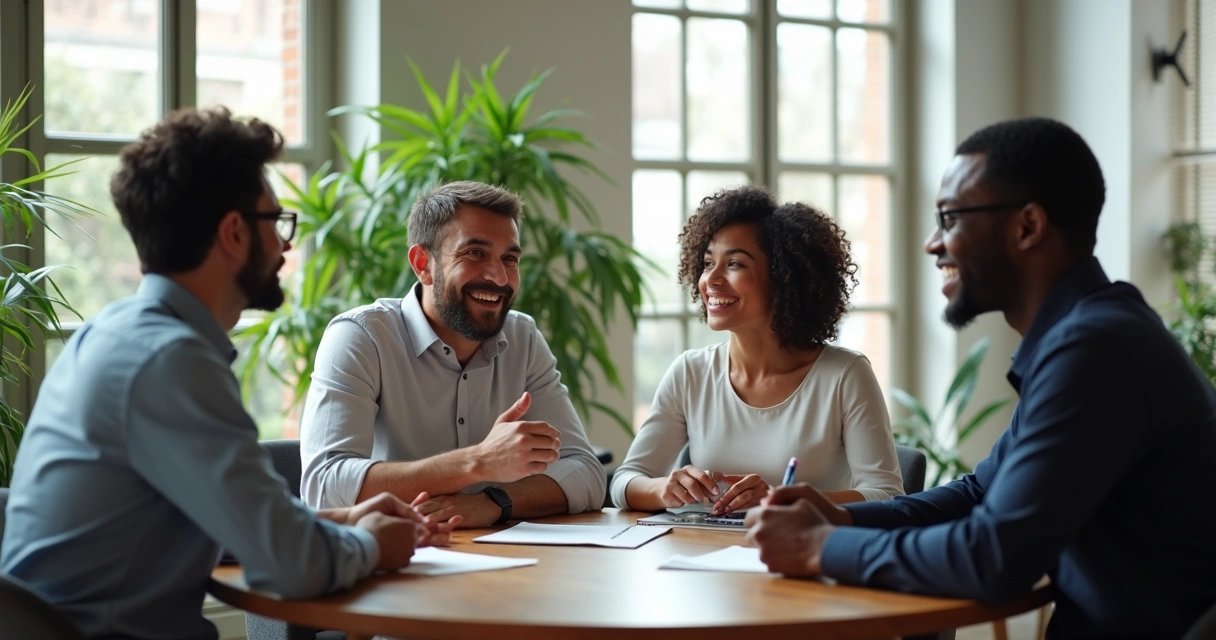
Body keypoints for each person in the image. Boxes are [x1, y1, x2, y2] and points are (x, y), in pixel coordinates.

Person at [744, 117, 1216, 638]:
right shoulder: (1089, 332)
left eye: (949, 218)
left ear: (1027, 226)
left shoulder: (1094, 348)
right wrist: (841, 518)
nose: (932, 244)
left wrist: (817, 547)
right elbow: (977, 493)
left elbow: (994, 558)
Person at [0, 108, 455, 640]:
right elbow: (291, 566)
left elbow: (231, 525)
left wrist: (345, 522)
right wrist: (377, 544)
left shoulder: (115, 335)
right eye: (277, 222)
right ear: (235, 233)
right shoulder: (170, 363)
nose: (287, 245)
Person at [299, 180, 605, 527]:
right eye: (475, 253)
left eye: (510, 258)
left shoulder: (523, 337)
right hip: (394, 561)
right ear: (422, 264)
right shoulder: (361, 337)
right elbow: (323, 486)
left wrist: (494, 503)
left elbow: (586, 472)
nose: (500, 278)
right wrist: (477, 462)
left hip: (503, 564)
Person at [610, 185, 903, 515]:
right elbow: (624, 482)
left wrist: (782, 499)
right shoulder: (690, 373)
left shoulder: (844, 375)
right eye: (708, 263)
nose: (711, 280)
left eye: (734, 263)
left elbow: (887, 496)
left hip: (805, 557)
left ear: (784, 276)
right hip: (704, 556)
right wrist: (664, 488)